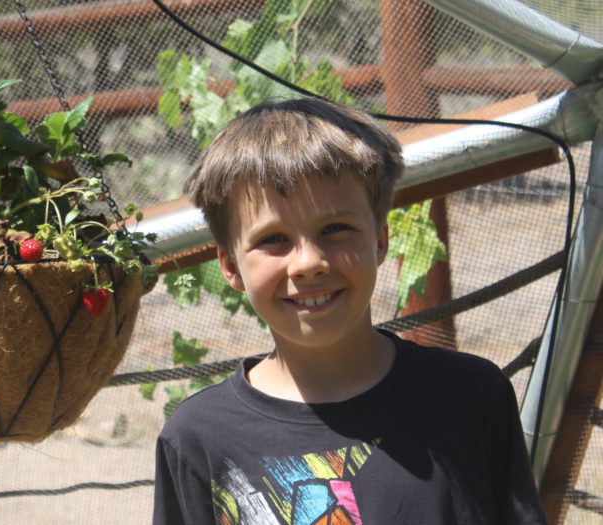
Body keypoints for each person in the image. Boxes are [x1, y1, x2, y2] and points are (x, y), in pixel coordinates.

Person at [152, 98, 548, 524]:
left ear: (380, 241)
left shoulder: (470, 398)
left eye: (335, 229)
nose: (308, 263)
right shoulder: (198, 438)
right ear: (230, 265)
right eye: (273, 239)